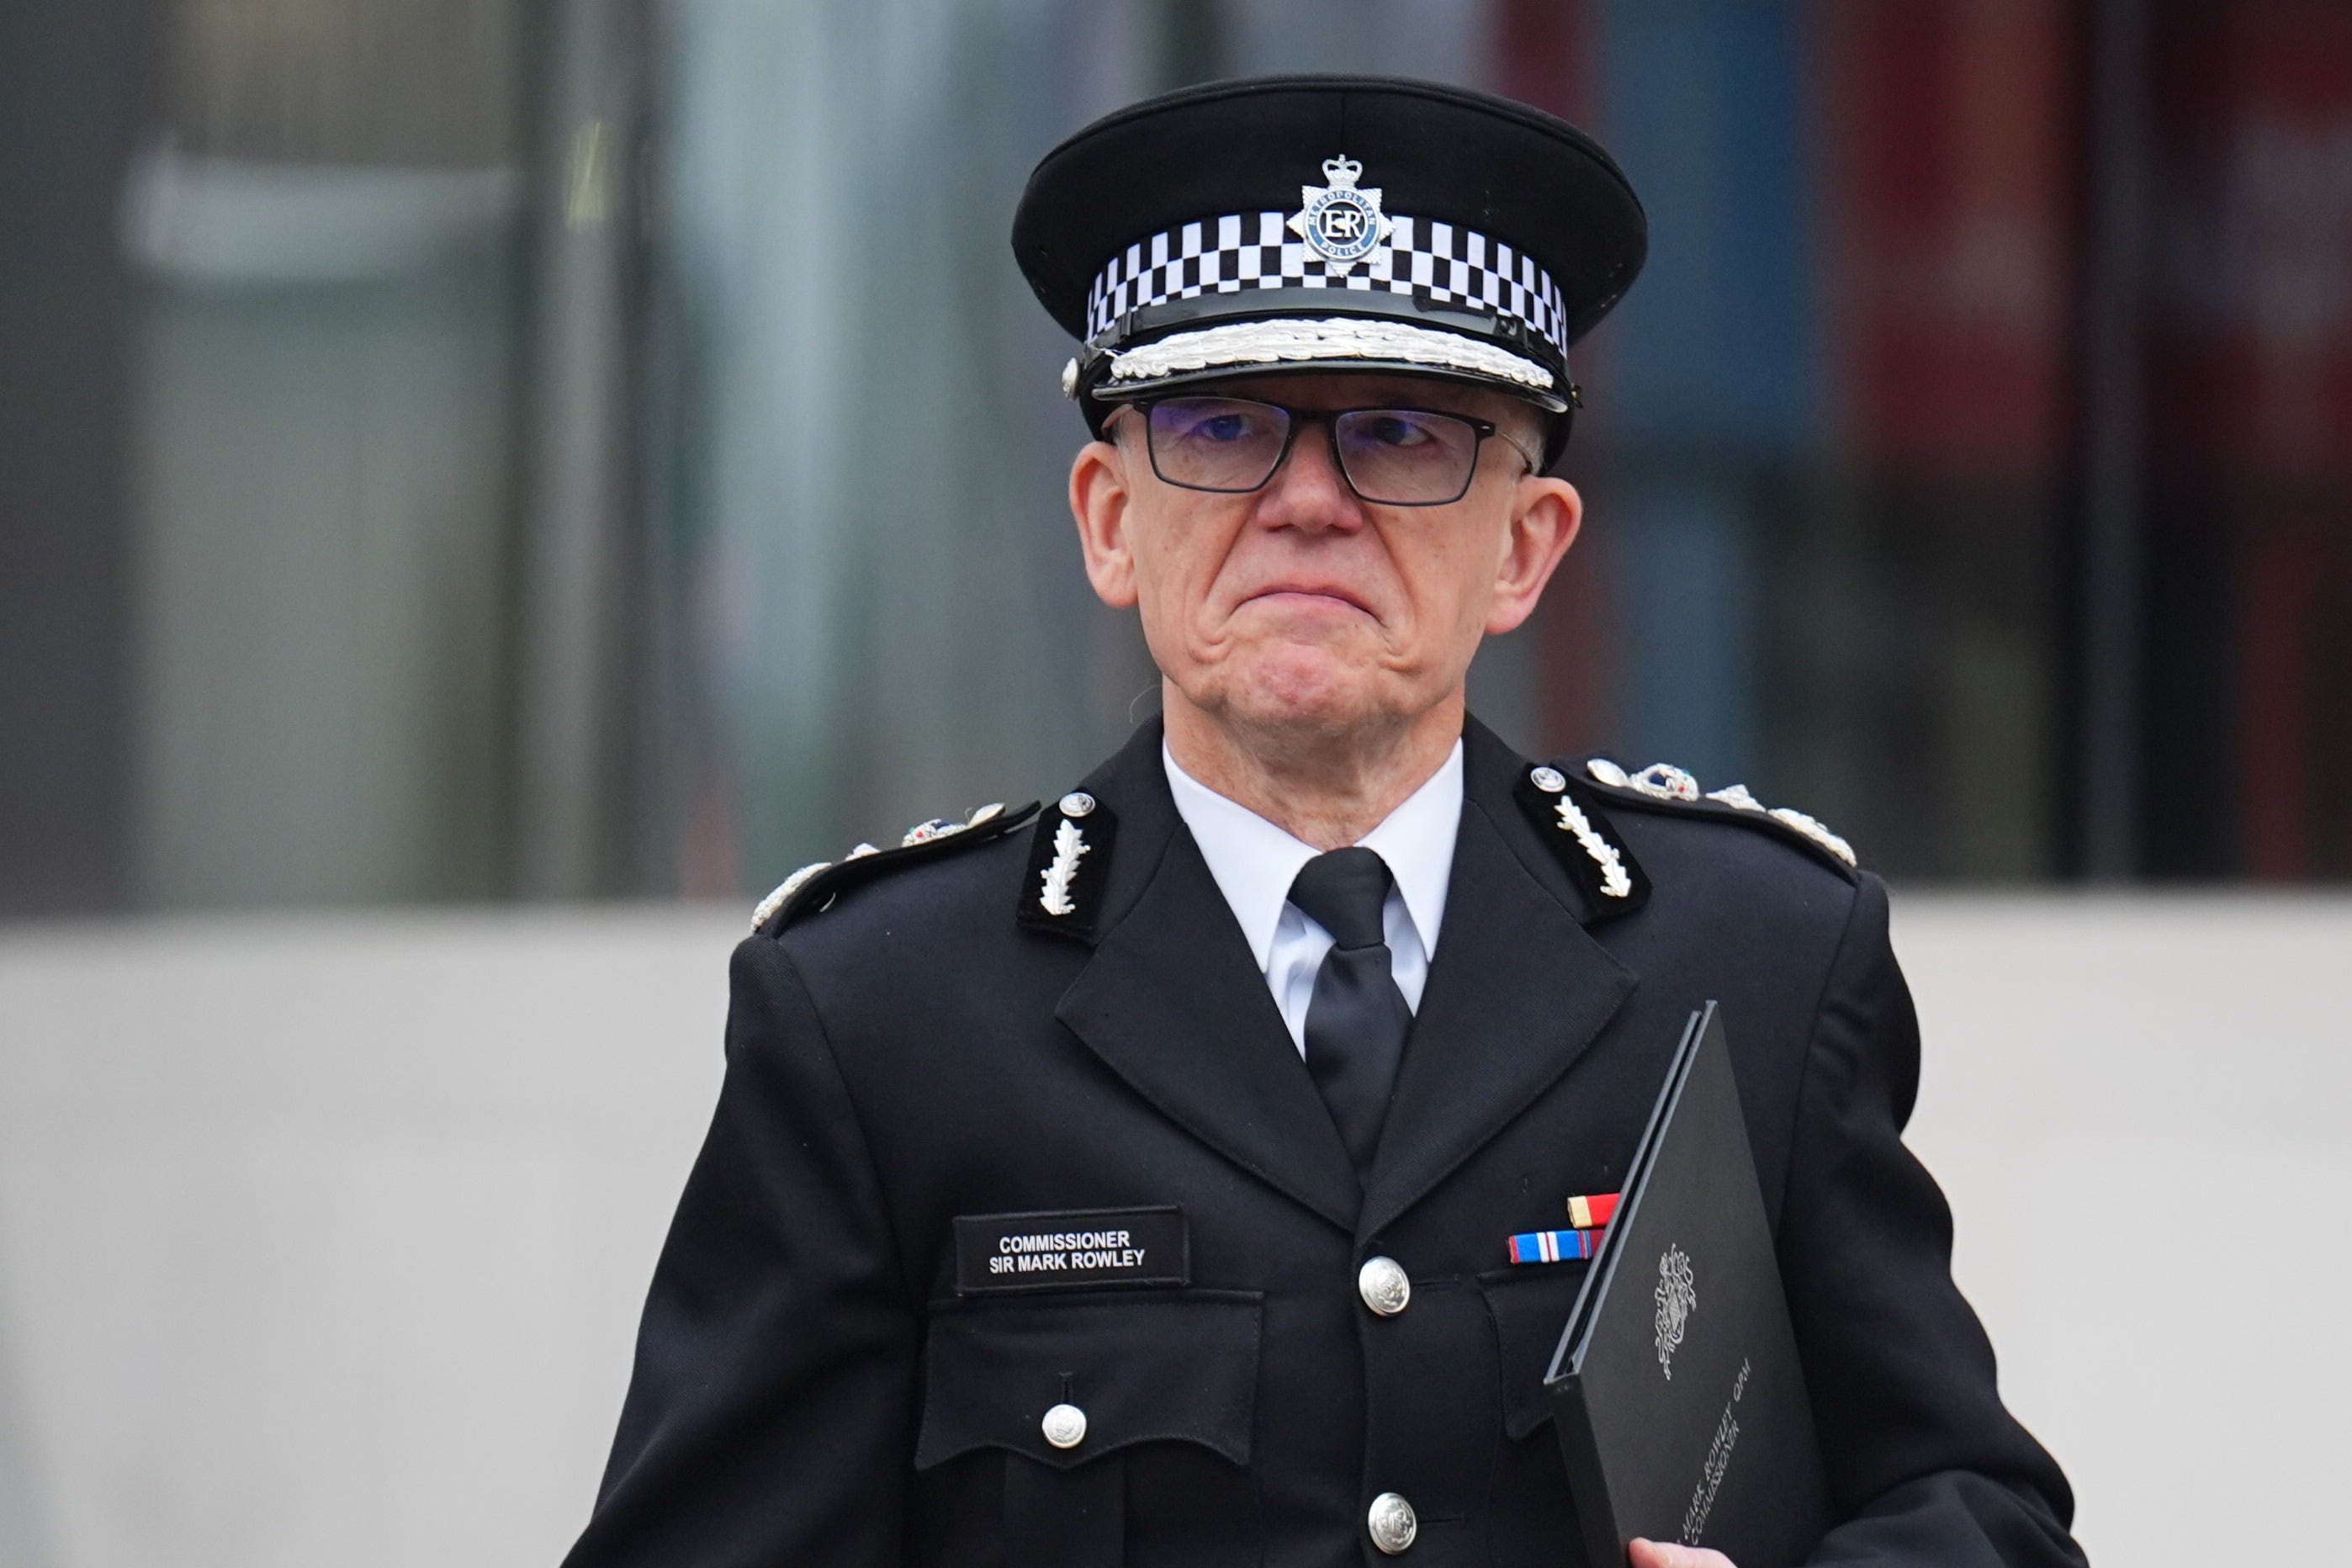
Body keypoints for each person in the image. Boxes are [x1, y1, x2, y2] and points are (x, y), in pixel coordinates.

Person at [561, 76, 2084, 1568]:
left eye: (1404, 436)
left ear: (1526, 548)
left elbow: (1987, 1515)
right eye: (1221, 430)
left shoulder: (1754, 964)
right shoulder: (883, 1016)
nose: (1306, 502)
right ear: (1108, 520)